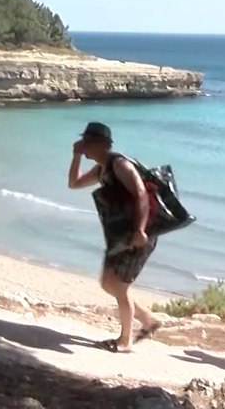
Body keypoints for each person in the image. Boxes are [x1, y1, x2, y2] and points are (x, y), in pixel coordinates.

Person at [67, 121, 162, 353]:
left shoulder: (119, 164)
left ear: (104, 144)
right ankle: (148, 321)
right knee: (109, 283)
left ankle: (125, 341)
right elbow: (74, 183)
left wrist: (140, 230)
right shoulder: (102, 168)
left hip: (140, 233)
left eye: (89, 142)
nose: (85, 145)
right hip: (123, 234)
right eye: (84, 140)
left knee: (117, 284)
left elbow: (140, 193)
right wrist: (76, 156)